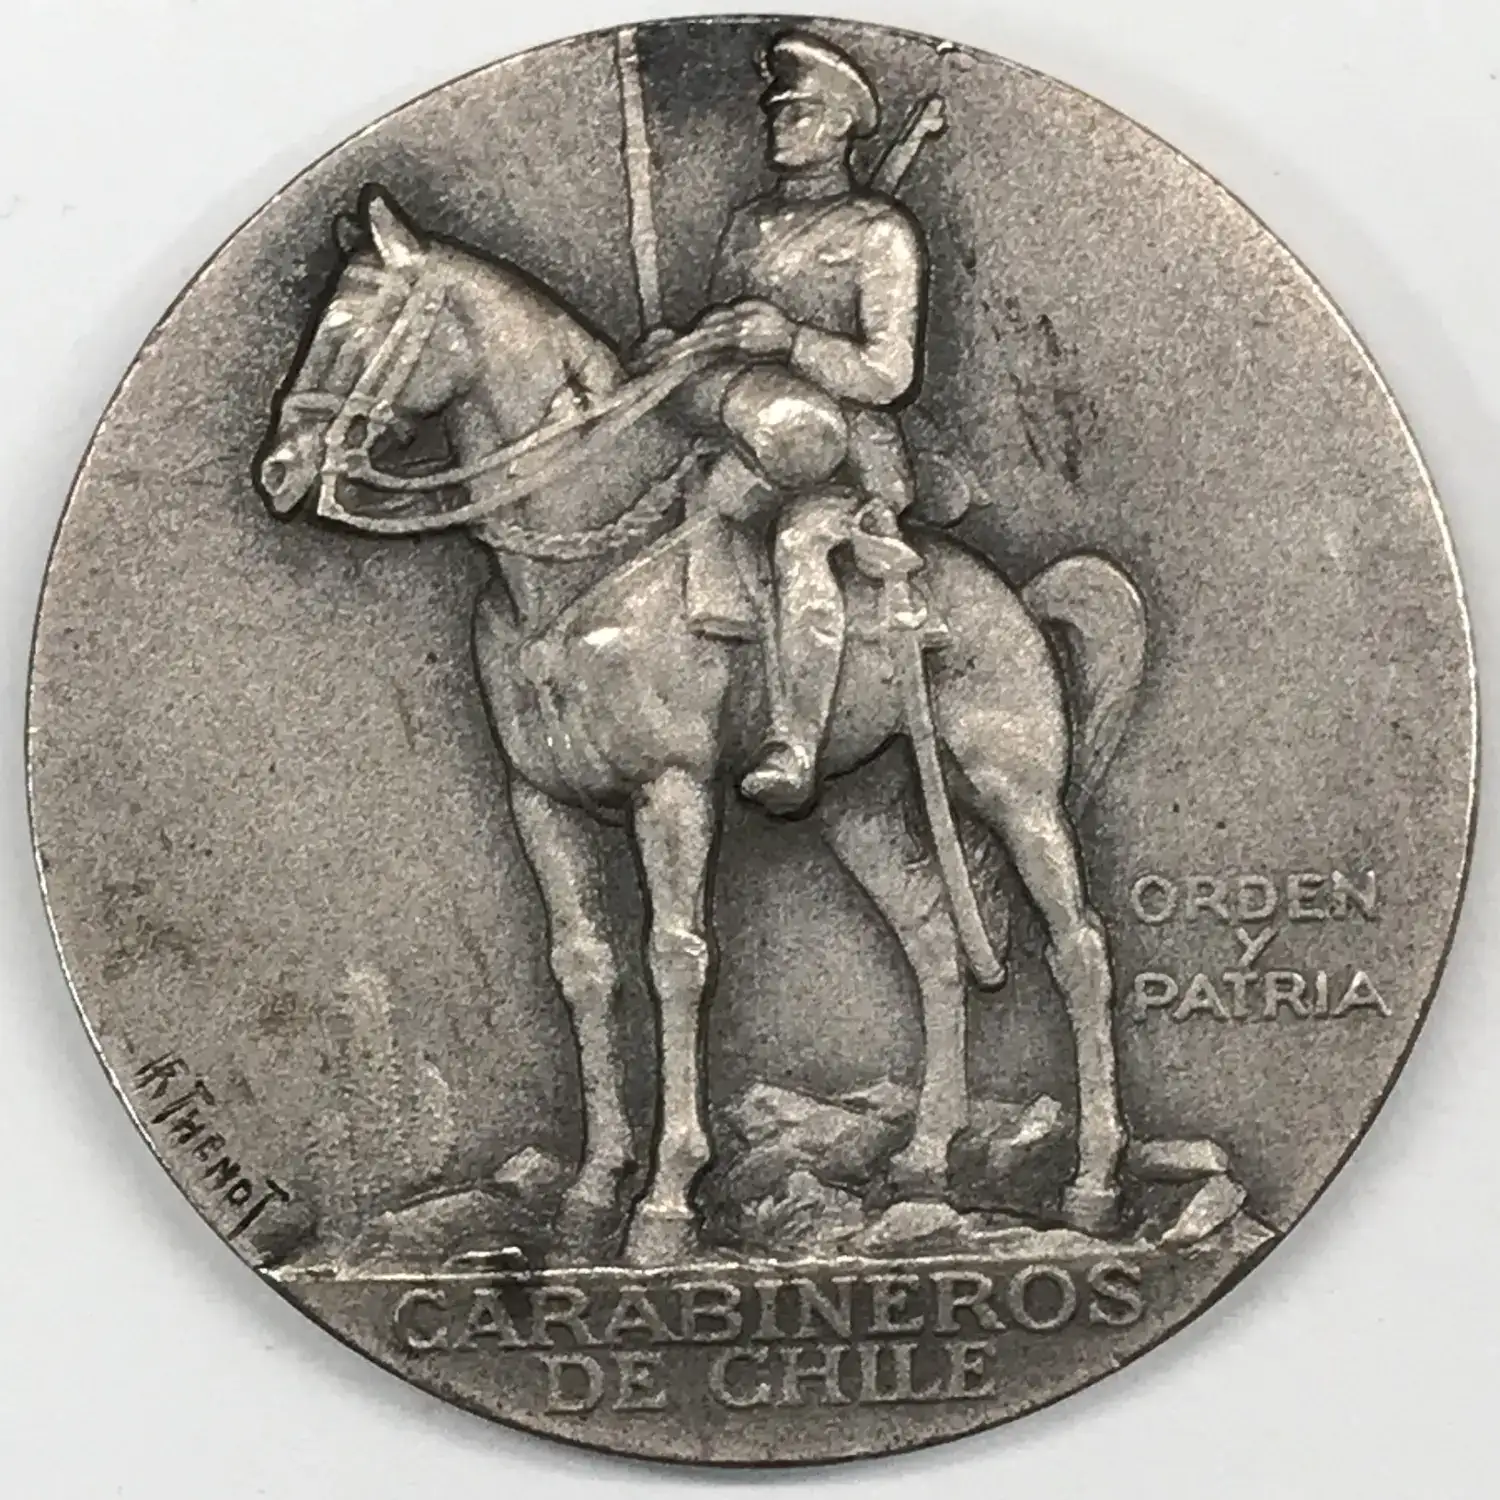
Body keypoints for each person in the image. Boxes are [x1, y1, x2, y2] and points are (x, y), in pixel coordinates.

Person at [649, 30, 928, 816]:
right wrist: (687, 344)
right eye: (776, 111)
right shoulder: (750, 226)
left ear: (840, 125)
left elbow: (890, 373)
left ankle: (796, 745)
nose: (778, 124)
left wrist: (793, 340)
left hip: (846, 458)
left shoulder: (880, 233)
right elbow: (728, 340)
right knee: (680, 513)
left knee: (800, 541)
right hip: (746, 433)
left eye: (797, 112)